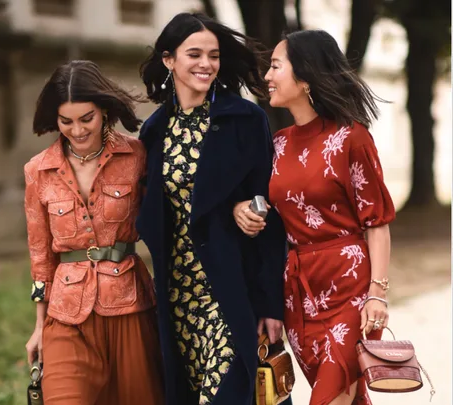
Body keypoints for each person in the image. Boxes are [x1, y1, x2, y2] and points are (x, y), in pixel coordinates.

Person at [234, 30, 395, 405]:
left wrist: (378, 295)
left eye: (275, 66)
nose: (267, 76)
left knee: (328, 397)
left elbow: (377, 222)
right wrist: (240, 209)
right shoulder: (278, 143)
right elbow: (261, 205)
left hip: (349, 290)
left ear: (304, 77)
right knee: (349, 399)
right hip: (299, 293)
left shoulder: (352, 138)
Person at [137, 12, 289, 405]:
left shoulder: (245, 119)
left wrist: (271, 302)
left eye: (214, 55)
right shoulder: (154, 131)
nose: (206, 64)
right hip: (179, 296)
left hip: (231, 289)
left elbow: (269, 210)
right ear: (169, 60)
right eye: (194, 54)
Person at [23, 60, 164, 405]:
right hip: (66, 314)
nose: (77, 130)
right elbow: (41, 255)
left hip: (130, 304)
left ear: (104, 110)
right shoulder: (38, 171)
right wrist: (40, 326)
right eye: (66, 121)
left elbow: (164, 223)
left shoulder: (137, 155)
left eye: (87, 118)